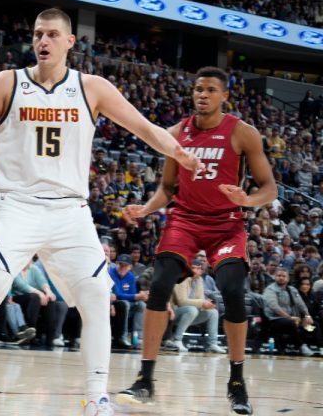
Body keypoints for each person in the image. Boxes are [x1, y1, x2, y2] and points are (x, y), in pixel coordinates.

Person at [0, 8, 201, 416]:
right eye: (37, 34)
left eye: (52, 34)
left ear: (71, 41)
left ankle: (96, 397)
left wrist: (178, 152)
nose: (43, 41)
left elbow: (144, 128)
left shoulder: (92, 88)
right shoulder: (7, 82)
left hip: (70, 211)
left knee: (97, 293)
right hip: (15, 206)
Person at [117, 67, 277, 416]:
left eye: (209, 90)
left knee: (234, 292)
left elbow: (269, 188)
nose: (201, 95)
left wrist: (246, 200)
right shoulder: (176, 134)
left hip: (226, 225)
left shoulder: (242, 133)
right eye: (197, 89)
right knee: (159, 285)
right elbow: (167, 189)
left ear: (224, 96)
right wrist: (145, 209)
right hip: (185, 221)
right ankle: (145, 379)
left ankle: (237, 382)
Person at [168, 259, 226, 353]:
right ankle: (177, 339)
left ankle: (212, 344)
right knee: (192, 310)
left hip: (190, 314)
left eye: (199, 268)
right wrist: (202, 303)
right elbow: (181, 301)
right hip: (173, 313)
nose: (196, 270)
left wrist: (207, 305)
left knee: (213, 312)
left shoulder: (199, 280)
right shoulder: (181, 278)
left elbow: (200, 299)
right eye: (193, 268)